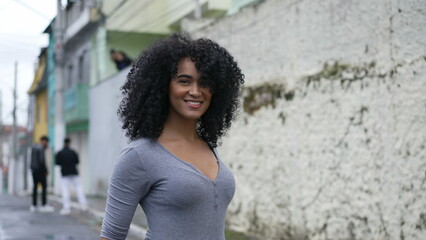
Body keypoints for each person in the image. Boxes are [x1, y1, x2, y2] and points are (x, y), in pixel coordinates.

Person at [100, 33, 244, 240]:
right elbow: (111, 236)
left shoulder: (209, 146)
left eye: (204, 83)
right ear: (162, 86)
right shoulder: (139, 156)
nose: (196, 91)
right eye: (184, 81)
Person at [55, 137, 88, 215]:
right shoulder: (73, 152)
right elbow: (77, 162)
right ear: (69, 143)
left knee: (65, 190)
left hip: (64, 173)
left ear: (64, 143)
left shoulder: (60, 152)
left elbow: (57, 163)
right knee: (79, 188)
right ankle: (83, 205)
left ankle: (67, 207)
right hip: (74, 172)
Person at [30, 135, 54, 212]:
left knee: (35, 188)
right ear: (44, 141)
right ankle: (43, 205)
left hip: (34, 171)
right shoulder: (41, 149)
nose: (46, 144)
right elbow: (41, 161)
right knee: (44, 188)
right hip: (40, 171)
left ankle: (34, 205)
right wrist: (45, 170)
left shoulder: (34, 147)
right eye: (46, 142)